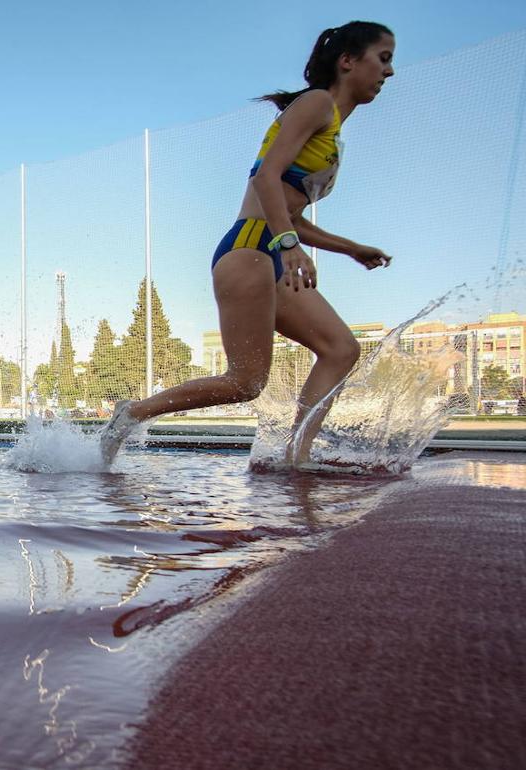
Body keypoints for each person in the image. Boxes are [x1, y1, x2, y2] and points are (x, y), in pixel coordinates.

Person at [101, 21, 396, 468]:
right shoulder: (316, 103)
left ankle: (294, 456)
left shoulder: (332, 128)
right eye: (384, 58)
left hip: (271, 252)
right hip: (250, 250)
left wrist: (349, 247)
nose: (389, 72)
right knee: (245, 382)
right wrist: (290, 241)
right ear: (348, 61)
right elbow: (265, 177)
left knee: (341, 349)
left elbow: (292, 213)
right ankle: (133, 413)